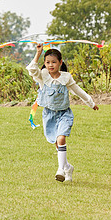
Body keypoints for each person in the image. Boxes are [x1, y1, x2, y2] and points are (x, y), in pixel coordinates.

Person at [26, 43, 99, 182]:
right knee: (57, 143)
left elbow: (78, 91)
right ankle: (67, 167)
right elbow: (31, 69)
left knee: (61, 139)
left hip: (64, 114)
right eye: (47, 62)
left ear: (60, 62)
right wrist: (38, 53)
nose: (50, 65)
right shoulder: (43, 77)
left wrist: (91, 103)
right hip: (49, 115)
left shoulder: (66, 78)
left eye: (54, 62)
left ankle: (60, 170)